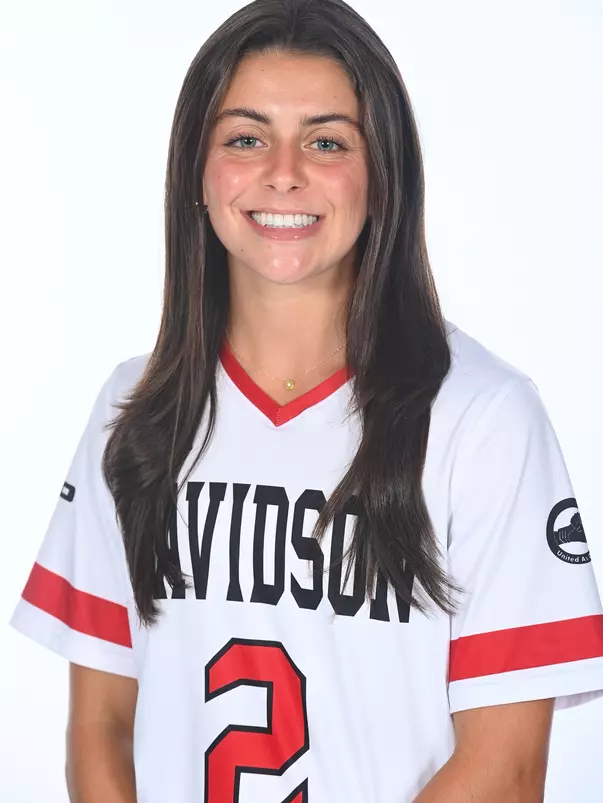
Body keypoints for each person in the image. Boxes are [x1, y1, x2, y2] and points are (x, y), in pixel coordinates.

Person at [9, 0, 603, 801]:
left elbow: (507, 766)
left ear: (381, 173)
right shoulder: (136, 407)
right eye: (246, 138)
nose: (283, 172)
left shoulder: (482, 416)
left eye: (326, 141)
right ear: (197, 169)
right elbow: (101, 723)